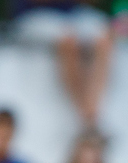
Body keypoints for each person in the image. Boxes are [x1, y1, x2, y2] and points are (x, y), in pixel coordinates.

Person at [14, 0, 112, 128]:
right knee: (68, 40)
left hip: (71, 14)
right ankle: (88, 118)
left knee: (105, 36)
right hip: (34, 14)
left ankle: (92, 113)